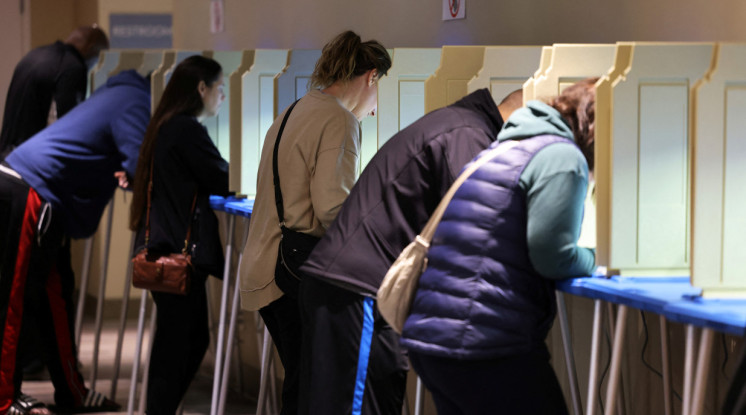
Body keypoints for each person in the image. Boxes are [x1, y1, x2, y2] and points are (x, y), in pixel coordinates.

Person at [297, 84, 522, 414]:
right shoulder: (470, 136)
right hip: (360, 289)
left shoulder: (459, 123)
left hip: (350, 284)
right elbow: (474, 226)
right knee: (359, 406)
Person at [398, 78, 599, 414]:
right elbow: (553, 255)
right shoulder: (561, 157)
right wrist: (598, 257)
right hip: (482, 339)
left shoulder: (504, 149)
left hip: (436, 337)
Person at [238, 31, 391, 414]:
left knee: (300, 380)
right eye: (379, 89)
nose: (374, 108)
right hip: (291, 272)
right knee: (314, 389)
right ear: (371, 76)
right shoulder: (339, 120)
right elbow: (331, 208)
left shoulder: (294, 110)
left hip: (264, 266)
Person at [0, 68, 150, 415]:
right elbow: (139, 163)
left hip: (37, 187)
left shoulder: (116, 92)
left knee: (56, 297)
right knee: (17, 297)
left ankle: (72, 393)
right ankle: (2, 402)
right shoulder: (137, 100)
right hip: (31, 186)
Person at [129, 55, 229, 415]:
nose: (223, 97)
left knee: (177, 342)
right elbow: (221, 176)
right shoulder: (185, 129)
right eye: (220, 88)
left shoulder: (165, 125)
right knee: (184, 343)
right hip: (179, 251)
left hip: (162, 247)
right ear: (201, 88)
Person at [0, 25, 109, 172]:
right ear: (91, 48)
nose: (96, 62)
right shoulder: (72, 67)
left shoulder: (34, 56)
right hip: (30, 171)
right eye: (98, 56)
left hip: (4, 165)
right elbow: (68, 127)